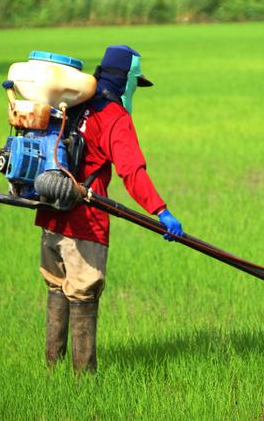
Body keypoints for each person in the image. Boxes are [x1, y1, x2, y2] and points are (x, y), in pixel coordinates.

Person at [34, 45, 184, 373]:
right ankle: (83, 383)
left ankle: (51, 371)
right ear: (125, 80)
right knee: (84, 293)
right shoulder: (115, 117)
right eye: (135, 83)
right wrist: (162, 211)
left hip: (50, 211)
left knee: (57, 287)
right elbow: (132, 171)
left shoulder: (74, 103)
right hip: (84, 219)